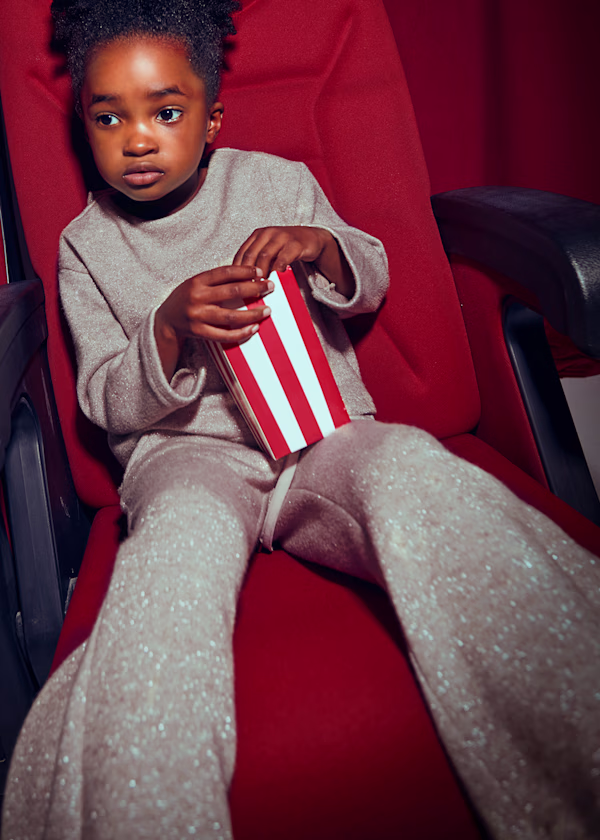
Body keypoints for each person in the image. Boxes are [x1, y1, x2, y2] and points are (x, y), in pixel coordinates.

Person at [2, 1, 600, 838]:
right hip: (187, 459)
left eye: (165, 112)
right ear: (85, 126)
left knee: (414, 471)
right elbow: (102, 398)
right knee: (169, 561)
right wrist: (166, 329)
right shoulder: (85, 246)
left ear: (211, 119)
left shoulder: (276, 183)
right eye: (109, 118)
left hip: (321, 438)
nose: (137, 140)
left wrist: (320, 246)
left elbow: (371, 275)